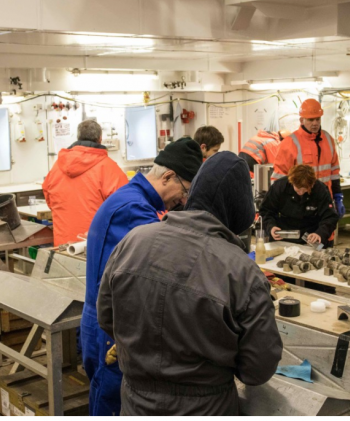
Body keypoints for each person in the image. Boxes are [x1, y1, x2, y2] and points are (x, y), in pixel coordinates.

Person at [97, 152, 282, 416]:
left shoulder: (133, 241)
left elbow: (107, 317)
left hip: (136, 404)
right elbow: (258, 369)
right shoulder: (242, 272)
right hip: (206, 408)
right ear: (240, 211)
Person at [81, 137, 203, 416]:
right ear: (168, 176)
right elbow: (165, 263)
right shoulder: (134, 209)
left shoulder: (134, 199)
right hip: (111, 332)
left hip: (107, 323)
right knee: (112, 405)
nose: (183, 200)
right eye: (184, 191)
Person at [42, 120, 128, 246]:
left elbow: (49, 199)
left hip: (63, 245)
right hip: (95, 246)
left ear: (78, 137)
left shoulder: (56, 167)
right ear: (100, 138)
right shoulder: (109, 168)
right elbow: (125, 208)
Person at [271, 99, 345, 218]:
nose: (315, 123)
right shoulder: (290, 143)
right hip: (300, 204)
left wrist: (338, 197)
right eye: (311, 120)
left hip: (324, 202)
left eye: (318, 119)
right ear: (302, 120)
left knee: (326, 229)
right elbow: (279, 178)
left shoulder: (328, 140)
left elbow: (334, 173)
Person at [259, 164, 339, 247]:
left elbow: (330, 217)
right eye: (298, 188)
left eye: (305, 189)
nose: (301, 192)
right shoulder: (279, 187)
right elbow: (266, 211)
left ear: (312, 184)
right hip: (284, 236)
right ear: (291, 182)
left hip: (311, 238)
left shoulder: (320, 190)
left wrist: (320, 233)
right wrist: (271, 227)